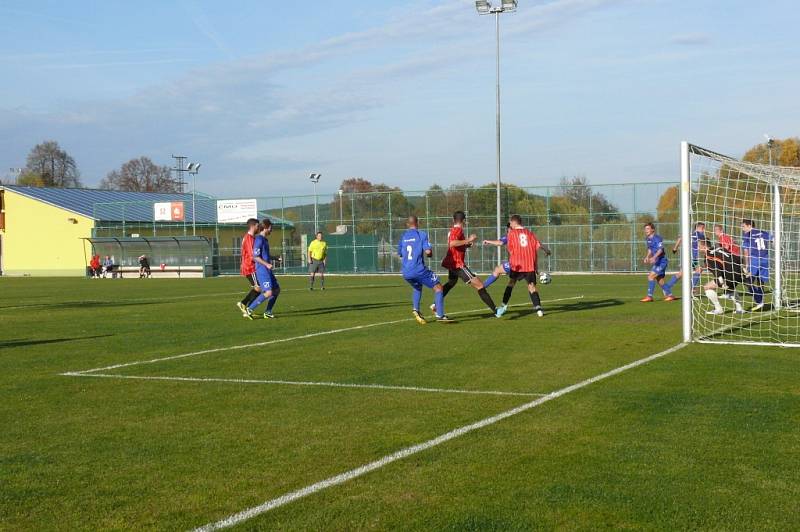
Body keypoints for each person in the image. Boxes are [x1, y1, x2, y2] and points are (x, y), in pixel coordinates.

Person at [432, 210, 498, 317]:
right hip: (458, 264)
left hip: (452, 263)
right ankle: (496, 311)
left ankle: (435, 304)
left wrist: (466, 245)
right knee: (480, 285)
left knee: (451, 283)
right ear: (463, 221)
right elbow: (452, 243)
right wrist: (468, 240)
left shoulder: (453, 230)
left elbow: (455, 244)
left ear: (454, 220)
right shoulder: (457, 230)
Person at [398, 215, 451, 323]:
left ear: (408, 224)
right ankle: (440, 315)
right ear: (417, 223)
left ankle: (416, 309)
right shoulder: (421, 234)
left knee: (417, 287)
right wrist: (430, 253)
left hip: (406, 272)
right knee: (438, 287)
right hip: (418, 270)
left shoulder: (403, 236)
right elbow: (428, 252)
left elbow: (400, 254)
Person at [494, 215, 545, 317]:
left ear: (514, 222)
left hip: (517, 264)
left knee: (511, 283)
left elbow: (511, 249)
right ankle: (539, 310)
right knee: (532, 287)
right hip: (529, 264)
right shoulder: (529, 233)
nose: (510, 225)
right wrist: (537, 264)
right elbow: (537, 246)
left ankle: (503, 306)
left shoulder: (511, 234)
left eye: (510, 223)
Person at [483, 224, 551, 289]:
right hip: (528, 262)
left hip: (517, 263)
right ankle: (540, 275)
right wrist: (546, 250)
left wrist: (488, 241)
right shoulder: (527, 234)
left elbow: (500, 242)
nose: (508, 231)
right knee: (521, 281)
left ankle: (482, 287)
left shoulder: (511, 235)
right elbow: (538, 243)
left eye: (508, 229)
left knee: (498, 270)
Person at [698, 237, 746, 315]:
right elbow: (734, 257)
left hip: (729, 274)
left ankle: (718, 309)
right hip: (738, 272)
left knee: (707, 287)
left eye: (699, 246)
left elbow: (716, 269)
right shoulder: (720, 248)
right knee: (730, 289)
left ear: (704, 246)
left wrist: (721, 281)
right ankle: (739, 309)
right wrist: (744, 268)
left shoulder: (708, 256)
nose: (698, 248)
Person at [246, 219, 281, 319]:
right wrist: (267, 264)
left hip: (267, 269)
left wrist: (274, 258)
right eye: (270, 228)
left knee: (277, 290)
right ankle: (249, 309)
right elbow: (255, 256)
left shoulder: (265, 240)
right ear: (265, 227)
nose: (271, 230)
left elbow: (264, 255)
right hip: (262, 270)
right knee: (268, 292)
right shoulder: (259, 239)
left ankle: (268, 312)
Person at [640, 222, 677, 302]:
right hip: (657, 262)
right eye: (645, 229)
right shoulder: (648, 239)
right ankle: (670, 295)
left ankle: (649, 296)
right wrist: (647, 257)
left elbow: (661, 250)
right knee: (660, 280)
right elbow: (650, 249)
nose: (646, 230)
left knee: (650, 276)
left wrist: (654, 257)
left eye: (648, 229)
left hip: (662, 261)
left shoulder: (657, 238)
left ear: (653, 229)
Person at [741, 219, 770, 311]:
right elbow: (773, 239)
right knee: (760, 282)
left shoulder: (747, 235)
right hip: (765, 259)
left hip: (754, 260)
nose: (742, 228)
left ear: (749, 226)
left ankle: (759, 301)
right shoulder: (763, 232)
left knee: (747, 281)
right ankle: (760, 301)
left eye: (743, 226)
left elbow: (746, 251)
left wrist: (746, 264)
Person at [236, 218, 261, 316]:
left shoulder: (251, 237)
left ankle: (244, 305)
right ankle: (247, 307)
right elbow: (252, 255)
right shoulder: (249, 238)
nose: (259, 228)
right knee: (259, 288)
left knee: (258, 288)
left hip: (249, 266)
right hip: (249, 267)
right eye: (258, 226)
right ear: (253, 226)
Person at [672, 221, 706, 291]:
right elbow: (700, 247)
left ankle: (667, 286)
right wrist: (707, 251)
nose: (703, 230)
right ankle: (691, 287)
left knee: (682, 272)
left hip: (686, 255)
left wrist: (675, 248)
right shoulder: (700, 235)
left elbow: (680, 239)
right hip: (694, 256)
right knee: (698, 270)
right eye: (703, 228)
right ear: (698, 227)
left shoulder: (689, 233)